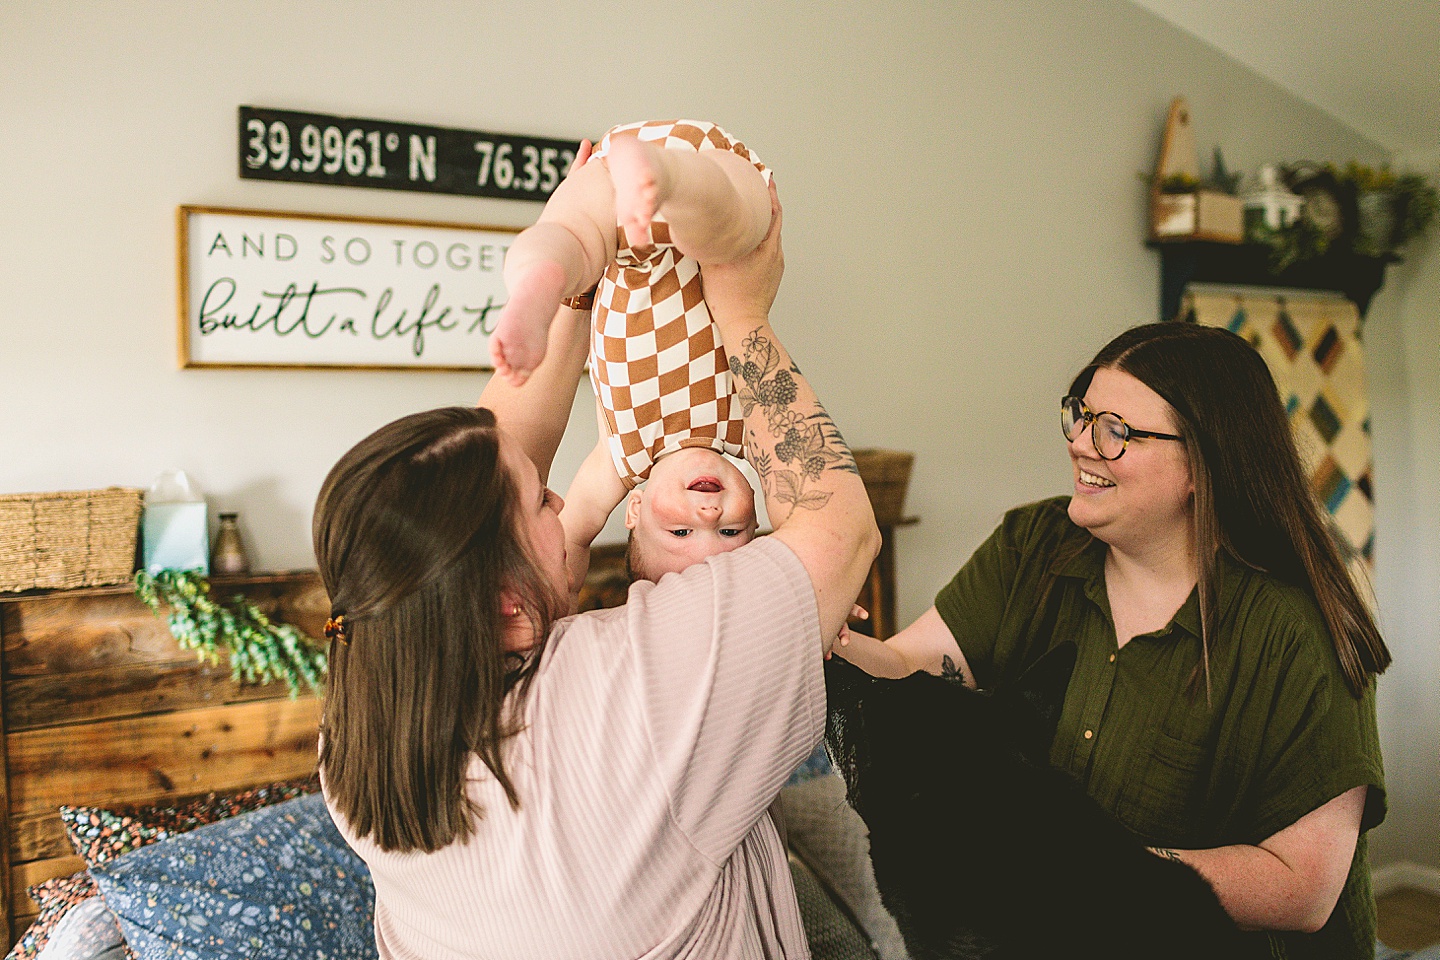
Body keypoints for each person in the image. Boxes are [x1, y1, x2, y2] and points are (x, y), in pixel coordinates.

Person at [314, 172, 882, 959]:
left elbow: (495, 452)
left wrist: (577, 290)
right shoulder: (638, 693)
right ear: (508, 608)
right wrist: (745, 315)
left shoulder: (364, 723)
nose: (560, 502)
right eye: (540, 503)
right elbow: (841, 530)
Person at [836, 321, 1389, 958]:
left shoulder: (1296, 633)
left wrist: (1078, 862)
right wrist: (815, 625)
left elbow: (1304, 887)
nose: (1080, 444)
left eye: (1116, 431)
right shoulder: (1033, 543)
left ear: (1203, 464)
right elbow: (908, 668)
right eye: (1081, 415)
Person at [491, 120, 773, 589]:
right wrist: (829, 598)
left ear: (635, 510)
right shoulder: (756, 440)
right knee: (733, 229)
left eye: (680, 531)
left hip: (619, 242)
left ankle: (537, 285)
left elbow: (570, 544)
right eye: (730, 531)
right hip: (704, 179)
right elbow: (806, 520)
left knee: (570, 238)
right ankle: (668, 176)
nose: (708, 512)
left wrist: (558, 590)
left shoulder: (619, 464)